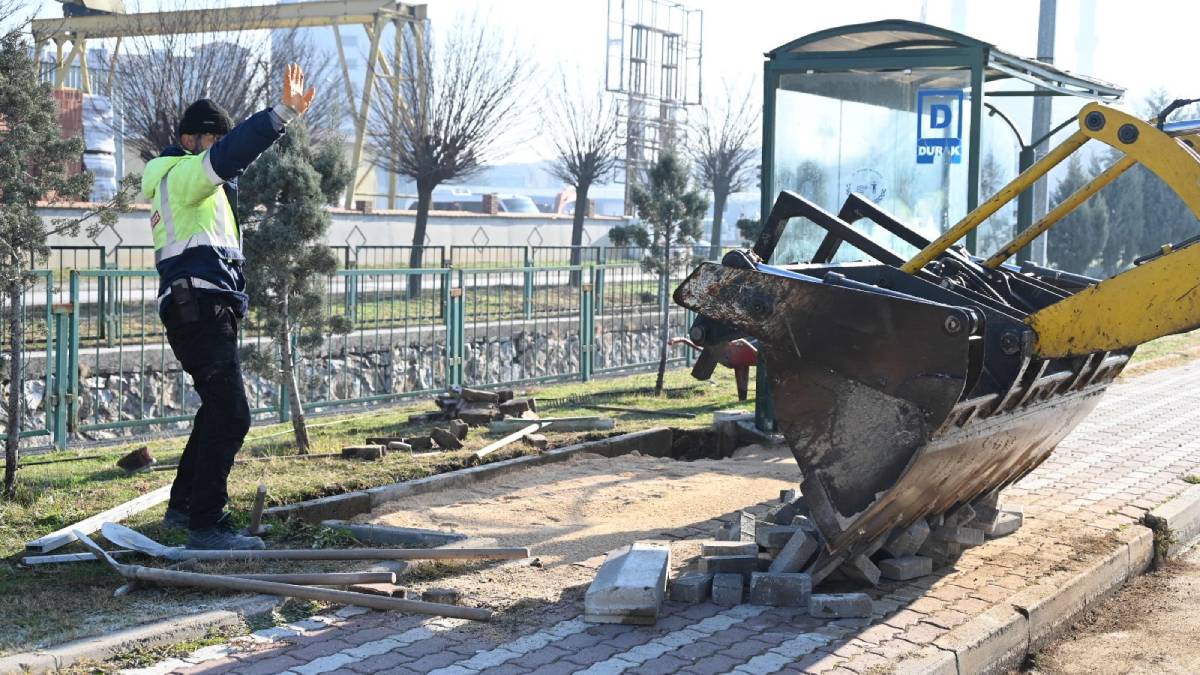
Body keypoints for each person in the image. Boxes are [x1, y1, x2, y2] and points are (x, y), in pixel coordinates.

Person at [143, 64, 316, 550]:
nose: (218, 147)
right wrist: (280, 115)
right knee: (233, 413)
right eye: (211, 139)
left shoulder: (195, 187)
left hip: (202, 305)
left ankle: (183, 508)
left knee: (216, 410)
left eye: (220, 137)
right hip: (197, 303)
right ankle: (207, 526)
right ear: (188, 139)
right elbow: (233, 152)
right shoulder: (183, 176)